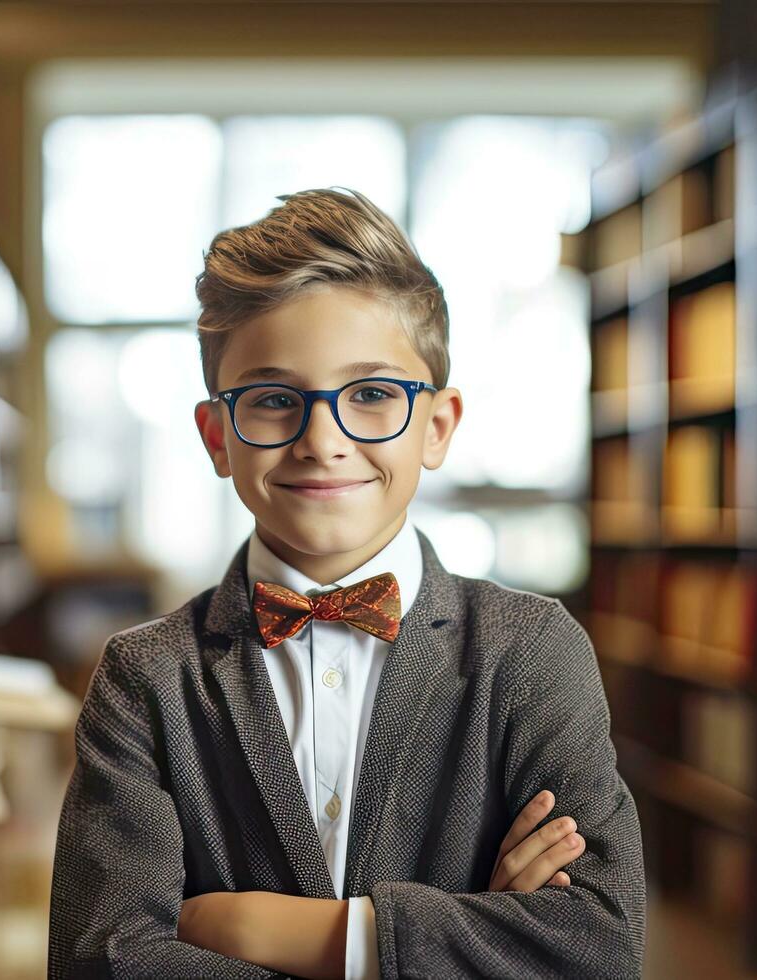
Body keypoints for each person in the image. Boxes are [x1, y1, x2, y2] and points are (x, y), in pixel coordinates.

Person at [48, 187, 645, 979]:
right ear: (216, 436)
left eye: (370, 395)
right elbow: (103, 961)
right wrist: (469, 947)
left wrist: (255, 928)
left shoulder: (530, 653)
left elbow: (598, 947)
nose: (322, 442)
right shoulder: (146, 677)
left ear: (437, 427)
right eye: (271, 400)